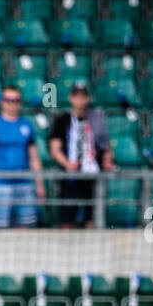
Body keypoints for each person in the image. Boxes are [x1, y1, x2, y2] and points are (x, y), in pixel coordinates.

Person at [0, 84, 46, 229]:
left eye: (16, 100)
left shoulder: (27, 125)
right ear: (2, 101)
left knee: (26, 227)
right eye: (8, 99)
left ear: (20, 102)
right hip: (1, 184)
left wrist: (40, 184)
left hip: (25, 183)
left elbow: (34, 158)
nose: (12, 103)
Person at [48, 81, 112, 229]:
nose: (80, 100)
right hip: (70, 177)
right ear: (71, 98)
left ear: (88, 98)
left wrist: (107, 160)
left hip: (92, 175)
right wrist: (67, 164)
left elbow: (105, 145)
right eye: (76, 96)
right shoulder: (62, 120)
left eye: (83, 96)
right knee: (67, 219)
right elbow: (55, 149)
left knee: (91, 218)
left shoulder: (96, 120)